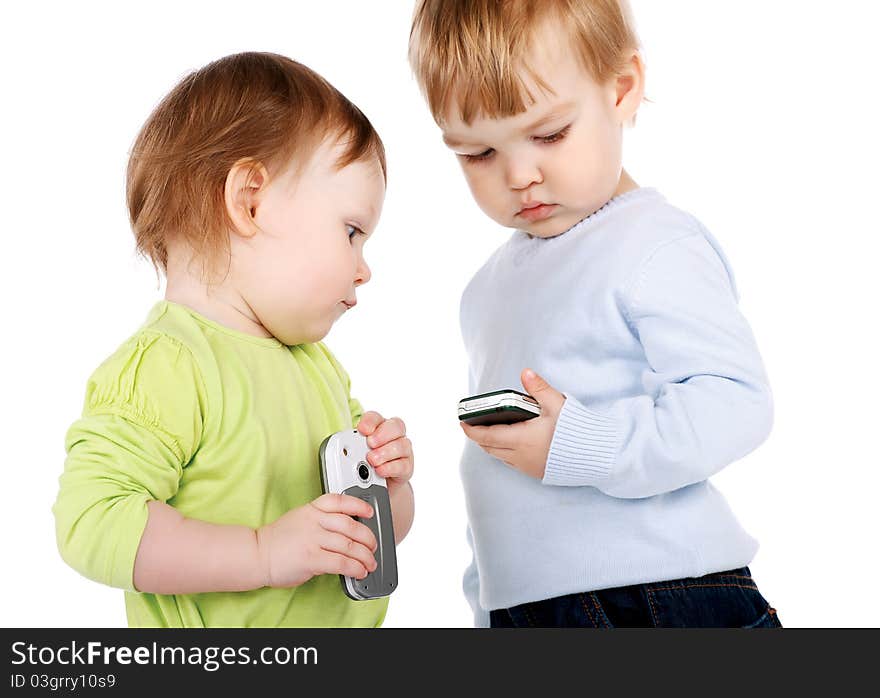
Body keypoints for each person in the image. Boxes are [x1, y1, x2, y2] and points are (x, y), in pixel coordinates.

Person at [409, 0, 780, 627]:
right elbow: (499, 471)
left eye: (549, 134)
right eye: (477, 154)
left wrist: (582, 445)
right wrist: (489, 600)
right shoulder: (486, 288)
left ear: (622, 89)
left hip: (656, 590)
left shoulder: (654, 243)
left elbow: (735, 400)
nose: (520, 175)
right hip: (532, 606)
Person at [53, 52, 414, 627]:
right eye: (351, 231)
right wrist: (262, 553)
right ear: (249, 200)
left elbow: (361, 538)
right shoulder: (170, 364)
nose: (364, 268)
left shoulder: (318, 367)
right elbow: (92, 521)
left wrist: (390, 490)